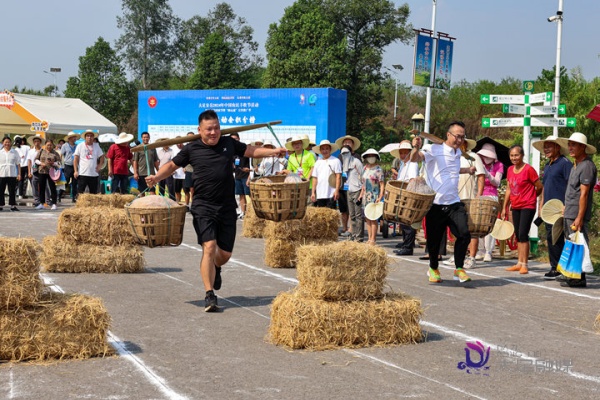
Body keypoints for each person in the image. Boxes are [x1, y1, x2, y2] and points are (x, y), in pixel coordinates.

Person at [146, 110, 286, 312]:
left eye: (217, 128)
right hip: (203, 206)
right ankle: (209, 294)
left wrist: (273, 152)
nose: (214, 132)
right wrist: (157, 178)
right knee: (209, 247)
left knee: (224, 255)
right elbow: (171, 165)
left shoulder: (228, 143)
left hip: (227, 206)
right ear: (200, 130)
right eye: (209, 129)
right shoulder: (191, 148)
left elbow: (250, 151)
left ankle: (216, 267)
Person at [410, 121, 475, 284]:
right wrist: (415, 147)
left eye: (462, 137)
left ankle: (459, 268)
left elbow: (451, 169)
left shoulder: (458, 152)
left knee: (464, 234)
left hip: (454, 202)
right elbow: (414, 159)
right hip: (435, 204)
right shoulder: (433, 149)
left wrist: (467, 170)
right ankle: (433, 268)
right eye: (457, 136)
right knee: (434, 240)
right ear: (448, 134)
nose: (460, 140)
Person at [557, 132, 597, 288]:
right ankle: (572, 274)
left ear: (583, 147)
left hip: (577, 213)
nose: (570, 148)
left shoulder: (587, 166)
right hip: (570, 211)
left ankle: (579, 277)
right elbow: (572, 191)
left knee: (579, 243)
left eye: (574, 145)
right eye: (570, 145)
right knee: (571, 243)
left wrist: (580, 217)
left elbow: (584, 194)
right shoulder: (575, 165)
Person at [532, 137, 571, 279]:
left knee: (561, 237)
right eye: (545, 147)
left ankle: (562, 268)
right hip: (548, 208)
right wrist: (541, 205)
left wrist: (567, 204)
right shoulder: (548, 165)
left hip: (561, 208)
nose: (546, 150)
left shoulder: (565, 163)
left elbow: (571, 186)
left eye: (549, 147)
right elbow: (544, 187)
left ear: (557, 147)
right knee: (551, 237)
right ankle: (555, 267)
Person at [501, 145, 543, 275]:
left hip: (527, 206)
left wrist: (532, 197)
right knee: (518, 234)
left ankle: (525, 263)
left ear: (522, 155)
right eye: (512, 155)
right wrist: (505, 207)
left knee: (523, 233)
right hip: (516, 205)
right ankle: (519, 262)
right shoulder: (510, 170)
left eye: (516, 155)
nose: (514, 158)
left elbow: (539, 186)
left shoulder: (529, 169)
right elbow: (508, 188)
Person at [456, 139, 485, 269]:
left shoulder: (474, 157)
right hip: (455, 197)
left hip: (470, 197)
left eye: (462, 142)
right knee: (456, 228)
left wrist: (479, 195)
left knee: (472, 229)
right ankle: (458, 255)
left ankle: (472, 257)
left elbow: (481, 176)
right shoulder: (453, 156)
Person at [476, 143, 505, 262]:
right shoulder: (478, 163)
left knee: (489, 224)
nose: (486, 158)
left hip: (492, 196)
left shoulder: (499, 165)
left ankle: (488, 251)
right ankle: (480, 249)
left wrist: (487, 174)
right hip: (479, 195)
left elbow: (497, 182)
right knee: (478, 224)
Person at [391, 140, 420, 255]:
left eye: (405, 153)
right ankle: (405, 243)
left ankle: (408, 246)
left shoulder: (412, 164)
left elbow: (412, 180)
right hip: (402, 194)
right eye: (401, 153)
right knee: (403, 221)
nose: (403, 155)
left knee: (407, 222)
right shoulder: (403, 165)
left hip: (408, 195)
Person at [335, 134, 361, 236]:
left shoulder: (357, 156)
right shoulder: (340, 156)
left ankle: (351, 228)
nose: (347, 144)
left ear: (353, 144)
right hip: (342, 185)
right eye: (345, 142)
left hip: (353, 186)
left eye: (349, 142)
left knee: (352, 209)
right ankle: (344, 227)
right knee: (343, 209)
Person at [359, 148, 384, 245]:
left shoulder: (378, 169)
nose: (371, 158)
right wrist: (361, 195)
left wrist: (380, 196)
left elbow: (382, 184)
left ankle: (373, 239)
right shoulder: (365, 168)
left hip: (374, 195)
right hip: (365, 196)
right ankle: (369, 238)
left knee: (373, 218)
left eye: (372, 156)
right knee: (367, 218)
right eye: (368, 156)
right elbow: (363, 184)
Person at [310, 139, 341, 208]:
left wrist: (336, 190)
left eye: (327, 149)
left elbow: (338, 177)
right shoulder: (317, 162)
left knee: (331, 214)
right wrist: (313, 192)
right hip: (320, 193)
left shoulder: (336, 161)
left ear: (330, 149)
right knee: (321, 215)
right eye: (323, 149)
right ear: (320, 151)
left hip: (331, 193)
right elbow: (315, 178)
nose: (325, 151)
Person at [74, 130, 105, 195]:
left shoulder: (96, 146)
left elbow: (102, 156)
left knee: (93, 193)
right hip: (83, 173)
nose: (89, 137)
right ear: (85, 137)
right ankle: (79, 204)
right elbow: (75, 159)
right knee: (80, 193)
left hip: (94, 173)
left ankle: (92, 205)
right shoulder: (80, 145)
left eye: (91, 136)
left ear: (93, 137)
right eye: (88, 136)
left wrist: (99, 166)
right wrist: (75, 171)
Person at [35, 139, 61, 210]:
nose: (49, 146)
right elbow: (36, 160)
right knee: (41, 187)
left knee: (52, 188)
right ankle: (41, 203)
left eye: (50, 145)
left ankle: (54, 203)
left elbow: (59, 163)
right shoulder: (41, 151)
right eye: (48, 145)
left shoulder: (55, 153)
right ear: (45, 145)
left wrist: (53, 163)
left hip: (51, 172)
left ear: (52, 145)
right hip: (42, 171)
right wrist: (41, 163)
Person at [230, 132, 251, 219]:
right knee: (240, 195)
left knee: (249, 195)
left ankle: (252, 213)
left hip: (246, 176)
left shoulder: (244, 150)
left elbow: (250, 165)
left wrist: (249, 177)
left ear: (239, 139)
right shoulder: (232, 153)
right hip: (237, 176)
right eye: (232, 139)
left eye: (236, 139)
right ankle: (243, 212)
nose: (234, 141)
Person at [132, 132, 159, 196]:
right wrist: (135, 173)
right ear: (142, 138)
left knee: (152, 191)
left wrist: (159, 171)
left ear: (149, 138)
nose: (145, 138)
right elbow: (135, 161)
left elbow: (155, 161)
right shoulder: (138, 148)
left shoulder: (152, 148)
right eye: (144, 137)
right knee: (142, 192)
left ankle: (152, 205)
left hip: (151, 174)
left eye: (147, 137)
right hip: (141, 173)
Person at [0, 136, 21, 211]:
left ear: (11, 143)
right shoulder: (0, 152)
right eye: (5, 142)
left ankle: (12, 205)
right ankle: (1, 205)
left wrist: (19, 174)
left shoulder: (14, 152)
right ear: (3, 143)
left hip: (12, 174)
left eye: (8, 142)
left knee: (12, 190)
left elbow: (18, 164)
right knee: (1, 190)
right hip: (1, 174)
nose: (7, 143)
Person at [61, 132, 79, 202]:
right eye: (73, 137)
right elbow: (61, 154)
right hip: (67, 165)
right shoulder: (65, 145)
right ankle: (60, 194)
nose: (74, 138)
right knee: (66, 181)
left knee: (75, 182)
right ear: (69, 138)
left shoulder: (77, 146)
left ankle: (74, 197)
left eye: (75, 137)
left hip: (75, 166)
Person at [13, 135, 29, 200]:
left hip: (21, 165)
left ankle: (20, 194)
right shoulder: (27, 147)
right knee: (28, 180)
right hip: (26, 165)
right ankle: (21, 194)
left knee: (21, 180)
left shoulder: (16, 149)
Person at [182, 131, 195, 208]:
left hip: (196, 171)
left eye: (192, 137)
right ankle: (187, 206)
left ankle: (194, 206)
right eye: (188, 137)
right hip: (189, 171)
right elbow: (182, 159)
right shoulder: (185, 147)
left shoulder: (198, 146)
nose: (190, 138)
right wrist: (184, 167)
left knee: (193, 190)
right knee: (188, 190)